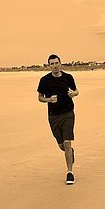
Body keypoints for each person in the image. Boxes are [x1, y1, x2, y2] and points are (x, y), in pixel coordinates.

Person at [37, 54, 80, 185]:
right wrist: (49, 99)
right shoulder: (44, 80)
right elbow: (40, 97)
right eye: (52, 64)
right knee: (62, 145)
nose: (54, 66)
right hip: (53, 116)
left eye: (56, 63)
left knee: (67, 142)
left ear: (60, 64)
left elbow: (76, 90)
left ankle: (69, 173)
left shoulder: (68, 77)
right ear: (49, 66)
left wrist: (74, 93)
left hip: (68, 113)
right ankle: (70, 152)